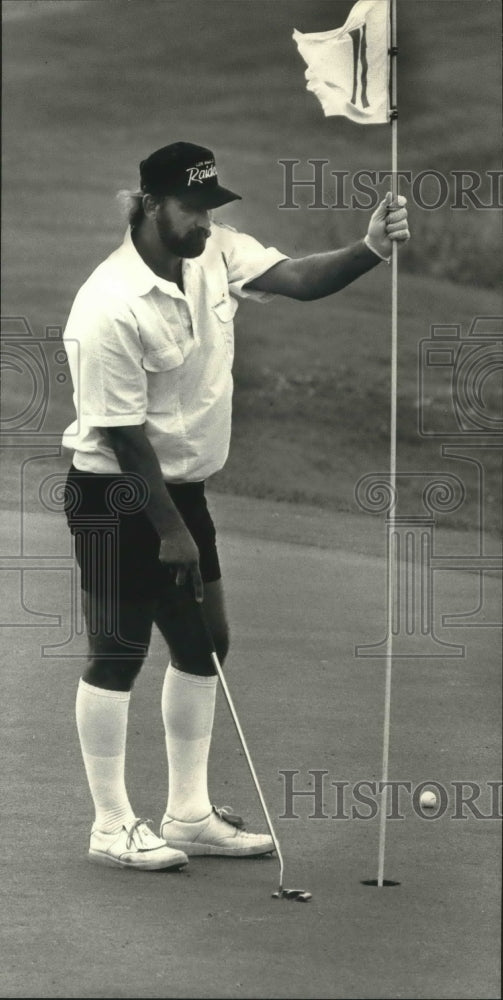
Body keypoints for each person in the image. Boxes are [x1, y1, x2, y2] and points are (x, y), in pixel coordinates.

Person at [62, 141, 410, 870]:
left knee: (204, 644)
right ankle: (110, 823)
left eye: (210, 207)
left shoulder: (214, 252)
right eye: (192, 207)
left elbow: (297, 278)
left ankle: (187, 814)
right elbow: (123, 438)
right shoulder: (107, 305)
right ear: (151, 204)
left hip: (180, 488)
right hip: (113, 493)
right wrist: (169, 531)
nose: (203, 221)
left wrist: (370, 248)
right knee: (118, 650)